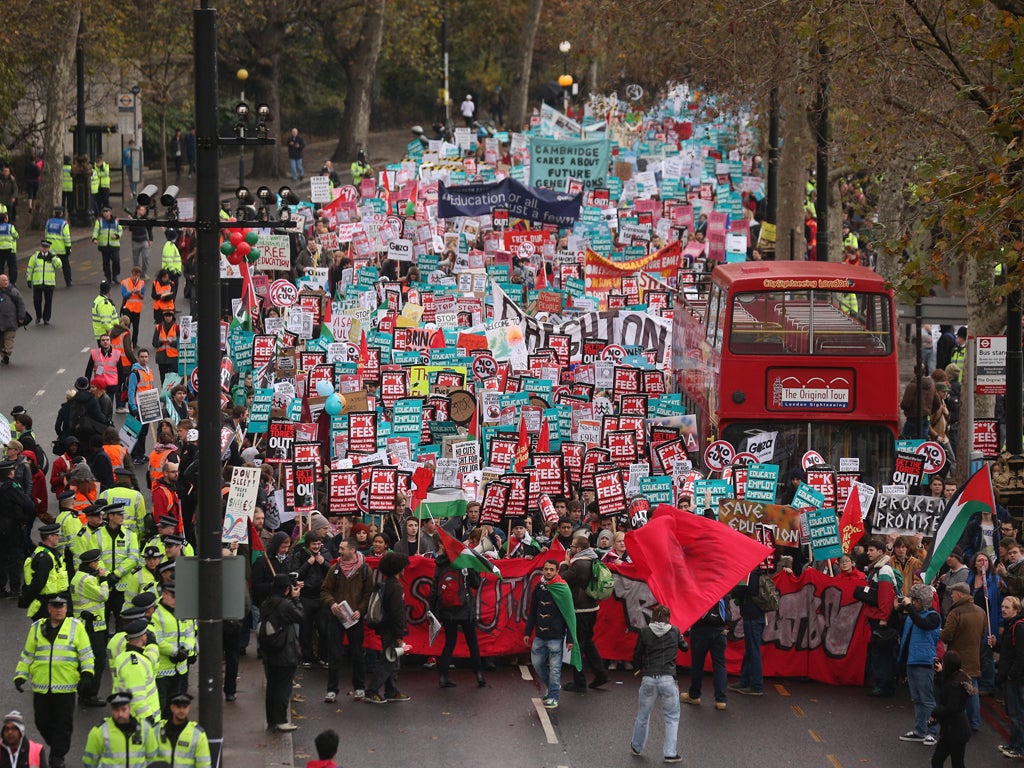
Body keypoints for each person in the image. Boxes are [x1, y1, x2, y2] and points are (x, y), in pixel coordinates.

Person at [14, 595, 95, 768]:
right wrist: (20, 675)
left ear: (66, 608)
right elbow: (27, 655)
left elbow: (86, 654)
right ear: (49, 608)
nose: (58, 610)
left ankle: (58, 756)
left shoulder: (76, 627)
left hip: (65, 686)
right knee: (41, 721)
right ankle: (56, 744)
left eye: (62, 606)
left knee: (63, 723)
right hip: (41, 686)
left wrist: (87, 674)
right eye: (55, 606)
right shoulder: (36, 628)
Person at [630, 604, 686, 763]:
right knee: (672, 717)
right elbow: (685, 648)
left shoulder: (645, 631)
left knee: (643, 715)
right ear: (668, 617)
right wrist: (680, 638)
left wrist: (639, 669)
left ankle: (636, 746)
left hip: (649, 677)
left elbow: (637, 654)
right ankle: (670, 753)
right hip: (668, 678)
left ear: (653, 617)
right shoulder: (675, 631)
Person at [320, 536, 373, 704]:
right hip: (337, 617)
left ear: (353, 550)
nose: (339, 551)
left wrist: (360, 610)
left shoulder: (365, 570)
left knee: (357, 654)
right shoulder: (334, 569)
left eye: (343, 549)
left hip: (355, 618)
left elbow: (368, 594)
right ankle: (331, 690)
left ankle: (359, 687)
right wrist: (332, 604)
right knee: (334, 654)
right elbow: (325, 591)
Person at [523, 558, 580, 710]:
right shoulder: (539, 587)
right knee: (537, 664)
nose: (548, 572)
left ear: (557, 571)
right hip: (540, 636)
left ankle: (554, 696)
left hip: (556, 636)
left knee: (555, 668)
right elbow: (533, 611)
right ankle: (552, 687)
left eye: (551, 570)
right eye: (546, 569)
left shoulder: (563, 588)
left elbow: (569, 615)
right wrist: (528, 632)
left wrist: (569, 638)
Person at [559, 532, 609, 692]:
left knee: (578, 645)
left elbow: (562, 578)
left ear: (579, 548)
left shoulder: (579, 564)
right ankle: (601, 674)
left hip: (580, 610)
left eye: (572, 546)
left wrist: (564, 564)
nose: (570, 548)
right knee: (588, 642)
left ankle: (579, 683)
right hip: (592, 607)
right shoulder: (593, 559)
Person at [431, 549, 485, 689]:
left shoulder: (440, 564)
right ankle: (479, 674)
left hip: (447, 610)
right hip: (465, 610)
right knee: (472, 642)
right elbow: (476, 583)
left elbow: (435, 589)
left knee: (449, 643)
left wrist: (432, 611)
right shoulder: (465, 563)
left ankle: (443, 676)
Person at [896, 584, 942, 746]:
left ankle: (931, 732)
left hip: (925, 662)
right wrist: (898, 607)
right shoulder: (911, 616)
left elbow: (922, 623)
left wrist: (909, 607)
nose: (913, 603)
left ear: (925, 601)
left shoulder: (933, 616)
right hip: (911, 661)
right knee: (917, 700)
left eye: (916, 600)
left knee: (927, 700)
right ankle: (919, 730)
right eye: (912, 600)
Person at [855, 538, 901, 696]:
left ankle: (883, 685)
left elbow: (886, 597)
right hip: (877, 617)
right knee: (880, 653)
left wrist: (883, 618)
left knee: (882, 654)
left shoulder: (883, 571)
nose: (868, 553)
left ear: (881, 552)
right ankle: (882, 683)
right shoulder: (877, 569)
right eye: (867, 550)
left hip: (881, 620)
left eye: (871, 550)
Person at [363, 551, 410, 705]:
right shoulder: (396, 587)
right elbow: (397, 613)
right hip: (391, 631)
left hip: (385, 628)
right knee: (388, 661)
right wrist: (399, 633)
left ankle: (391, 691)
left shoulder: (385, 584)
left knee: (393, 661)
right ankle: (372, 691)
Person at [940, 581, 986, 732]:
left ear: (959, 594)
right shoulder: (980, 611)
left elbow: (947, 636)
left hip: (958, 659)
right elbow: (983, 634)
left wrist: (940, 632)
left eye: (953, 594)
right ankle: (975, 723)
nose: (951, 596)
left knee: (959, 693)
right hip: (974, 657)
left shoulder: (956, 612)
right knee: (973, 691)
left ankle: (962, 724)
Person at [260, 573, 303, 731]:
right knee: (283, 688)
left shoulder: (267, 603)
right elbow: (300, 616)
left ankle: (271, 720)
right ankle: (281, 721)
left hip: (270, 649)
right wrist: (297, 599)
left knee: (272, 686)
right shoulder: (285, 604)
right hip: (285, 650)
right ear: (286, 589)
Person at [70, 548, 110, 707]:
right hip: (91, 627)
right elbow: (103, 595)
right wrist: (104, 579)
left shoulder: (80, 577)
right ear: (91, 563)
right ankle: (89, 695)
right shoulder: (85, 580)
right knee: (97, 661)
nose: (98, 564)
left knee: (86, 660)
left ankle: (84, 694)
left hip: (88, 625)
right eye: (97, 562)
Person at [82, 692, 161, 768]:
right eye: (116, 710)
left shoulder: (146, 729)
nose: (120, 714)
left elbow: (153, 759)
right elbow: (89, 762)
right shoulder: (99, 732)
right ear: (111, 710)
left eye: (123, 709)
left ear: (129, 708)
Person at [151, 582, 195, 718]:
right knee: (162, 706)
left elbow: (190, 634)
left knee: (177, 707)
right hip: (162, 671)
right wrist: (175, 652)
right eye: (173, 596)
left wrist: (186, 650)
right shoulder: (156, 614)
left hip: (180, 668)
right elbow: (157, 640)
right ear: (164, 594)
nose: (176, 600)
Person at [681, 596, 730, 710]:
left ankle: (694, 695)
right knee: (720, 665)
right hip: (719, 630)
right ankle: (721, 699)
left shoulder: (700, 587)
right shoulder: (725, 587)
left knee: (697, 664)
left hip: (700, 629)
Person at [108, 619, 161, 724]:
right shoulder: (134, 663)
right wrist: (148, 718)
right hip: (140, 721)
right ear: (143, 637)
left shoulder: (125, 656)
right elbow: (137, 697)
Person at [928, 650, 974, 768]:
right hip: (952, 730)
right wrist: (939, 674)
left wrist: (935, 712)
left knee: (955, 763)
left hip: (956, 732)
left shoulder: (954, 686)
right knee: (938, 761)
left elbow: (949, 707)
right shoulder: (957, 679)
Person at [290, 531, 329, 669]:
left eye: (319, 544)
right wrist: (308, 563)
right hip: (306, 597)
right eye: (314, 544)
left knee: (324, 628)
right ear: (308, 545)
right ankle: (307, 657)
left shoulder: (325, 553)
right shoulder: (299, 555)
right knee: (305, 629)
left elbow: (332, 570)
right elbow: (296, 574)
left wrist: (323, 563)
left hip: (322, 596)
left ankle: (323, 656)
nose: (317, 546)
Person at [729, 568, 769, 696]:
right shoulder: (758, 574)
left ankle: (756, 686)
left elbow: (738, 591)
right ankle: (744, 681)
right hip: (758, 616)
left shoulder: (748, 575)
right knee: (750, 651)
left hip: (751, 617)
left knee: (753, 651)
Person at [18, 524, 69, 621]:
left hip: (50, 601)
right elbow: (39, 582)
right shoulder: (45, 558)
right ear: (50, 537)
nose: (58, 538)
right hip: (46, 604)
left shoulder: (45, 553)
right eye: (56, 535)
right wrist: (26, 599)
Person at [996, 595, 1024, 758]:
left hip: (1015, 679)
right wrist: (996, 645)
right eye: (1002, 607)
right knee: (1012, 713)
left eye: (1007, 607)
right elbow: (1008, 652)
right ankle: (1013, 743)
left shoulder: (1018, 627)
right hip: (1009, 676)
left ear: (1016, 610)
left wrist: (1013, 675)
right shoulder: (1010, 625)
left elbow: (1020, 655)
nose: (1003, 610)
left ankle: (1019, 748)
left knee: (1017, 713)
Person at [156, 692, 210, 768]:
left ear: (189, 708)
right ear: (172, 708)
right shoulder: (157, 730)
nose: (181, 710)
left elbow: (204, 764)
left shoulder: (197, 733)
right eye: (178, 707)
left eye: (184, 707)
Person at [127, 349, 156, 464]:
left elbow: (151, 388)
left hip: (147, 405)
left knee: (144, 432)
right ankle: (135, 455)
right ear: (138, 358)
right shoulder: (135, 373)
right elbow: (131, 391)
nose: (144, 359)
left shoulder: (149, 371)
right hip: (138, 406)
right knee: (137, 432)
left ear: (148, 358)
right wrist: (133, 407)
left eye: (146, 356)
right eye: (142, 357)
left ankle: (141, 453)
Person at [26, 241, 61, 325]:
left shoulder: (53, 256)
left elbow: (59, 265)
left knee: (48, 302)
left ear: (49, 248)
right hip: (38, 283)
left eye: (47, 247)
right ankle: (38, 316)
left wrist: (53, 258)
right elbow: (30, 268)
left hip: (49, 283)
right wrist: (29, 279)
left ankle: (46, 318)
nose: (45, 249)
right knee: (37, 300)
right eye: (44, 247)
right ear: (41, 247)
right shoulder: (35, 257)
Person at [0, 274, 26, 365]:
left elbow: (21, 304)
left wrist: (21, 317)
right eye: (3, 281)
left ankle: (7, 353)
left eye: (6, 280)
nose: (6, 282)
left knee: (9, 337)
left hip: (10, 320)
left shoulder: (13, 292)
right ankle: (3, 354)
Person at [92, 208, 123, 285]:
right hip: (104, 245)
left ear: (110, 212)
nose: (105, 213)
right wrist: (94, 238)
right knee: (106, 263)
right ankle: (108, 277)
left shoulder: (116, 221)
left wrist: (117, 235)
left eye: (107, 212)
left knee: (116, 260)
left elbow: (121, 230)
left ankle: (115, 275)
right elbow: (96, 231)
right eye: (104, 212)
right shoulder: (99, 221)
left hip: (114, 245)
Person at [42, 209, 71, 288]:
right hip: (61, 249)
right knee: (66, 267)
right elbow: (67, 237)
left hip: (50, 249)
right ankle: (68, 282)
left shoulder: (49, 222)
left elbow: (46, 234)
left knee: (50, 267)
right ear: (61, 214)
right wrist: (68, 247)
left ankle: (49, 282)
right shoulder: (64, 224)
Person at [152, 309, 179, 384]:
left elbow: (180, 344)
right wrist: (161, 342)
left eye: (169, 316)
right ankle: (164, 395)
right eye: (166, 316)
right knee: (163, 381)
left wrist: (171, 343)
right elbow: (154, 343)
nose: (168, 318)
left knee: (173, 381)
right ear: (163, 317)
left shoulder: (177, 328)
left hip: (173, 358)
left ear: (172, 317)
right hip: (162, 358)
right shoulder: (158, 327)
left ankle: (172, 395)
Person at [0, 213, 19, 287]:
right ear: (5, 219)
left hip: (0, 250)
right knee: (12, 267)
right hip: (9, 249)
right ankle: (12, 283)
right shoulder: (10, 227)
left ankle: (0, 282)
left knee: (1, 266)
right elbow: (16, 236)